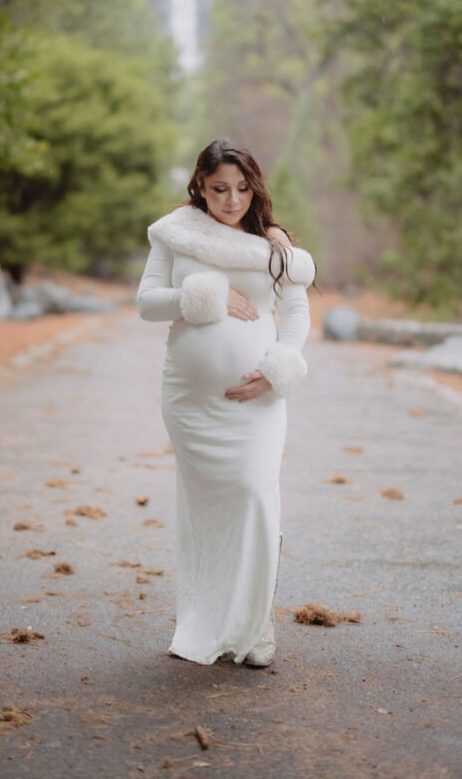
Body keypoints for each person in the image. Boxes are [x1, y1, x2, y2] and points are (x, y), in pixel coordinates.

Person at [136, 138, 315, 666]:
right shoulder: (178, 233)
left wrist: (278, 366)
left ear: (254, 188)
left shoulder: (272, 243)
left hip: (256, 398)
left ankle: (257, 625)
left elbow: (297, 313)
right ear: (201, 187)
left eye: (241, 188)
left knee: (255, 493)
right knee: (208, 510)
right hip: (190, 400)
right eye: (219, 189)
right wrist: (203, 296)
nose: (232, 200)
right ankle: (208, 616)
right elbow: (147, 303)